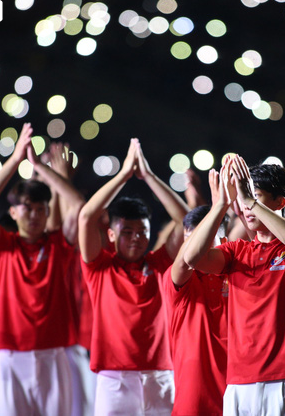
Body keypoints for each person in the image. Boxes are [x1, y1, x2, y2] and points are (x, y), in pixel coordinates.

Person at [183, 156, 285, 415]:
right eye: (245, 197)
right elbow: (191, 259)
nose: (246, 206)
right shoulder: (237, 252)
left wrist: (250, 201)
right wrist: (220, 206)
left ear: (280, 202)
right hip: (239, 378)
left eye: (255, 195)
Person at [0, 123, 84, 415]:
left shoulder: (60, 244)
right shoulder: (3, 245)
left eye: (39, 209)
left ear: (47, 212)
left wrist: (40, 166)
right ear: (13, 212)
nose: (33, 214)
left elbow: (79, 205)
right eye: (26, 208)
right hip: (10, 357)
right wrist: (15, 161)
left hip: (54, 355)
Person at [78, 138, 188, 415]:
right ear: (112, 234)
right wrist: (124, 174)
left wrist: (148, 176)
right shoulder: (99, 266)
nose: (136, 239)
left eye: (142, 232)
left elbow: (183, 219)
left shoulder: (161, 262)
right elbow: (86, 217)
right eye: (127, 232)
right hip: (114, 381)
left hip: (161, 377)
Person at [164, 168, 230, 416]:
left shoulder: (237, 274)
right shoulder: (180, 280)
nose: (194, 249)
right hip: (195, 401)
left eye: (203, 240)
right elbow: (184, 262)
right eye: (189, 240)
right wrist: (218, 207)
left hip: (239, 395)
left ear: (223, 243)